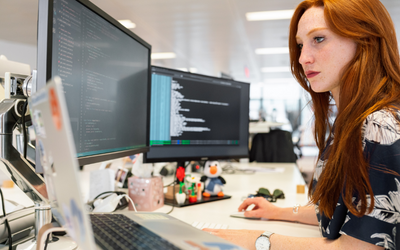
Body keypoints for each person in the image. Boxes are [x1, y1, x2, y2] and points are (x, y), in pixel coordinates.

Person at [203, 0, 400, 249]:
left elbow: (361, 247)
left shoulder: (380, 126)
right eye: (300, 44)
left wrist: (258, 240)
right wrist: (278, 212)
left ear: (365, 39)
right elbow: (343, 211)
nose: (302, 58)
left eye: (318, 39)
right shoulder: (351, 122)